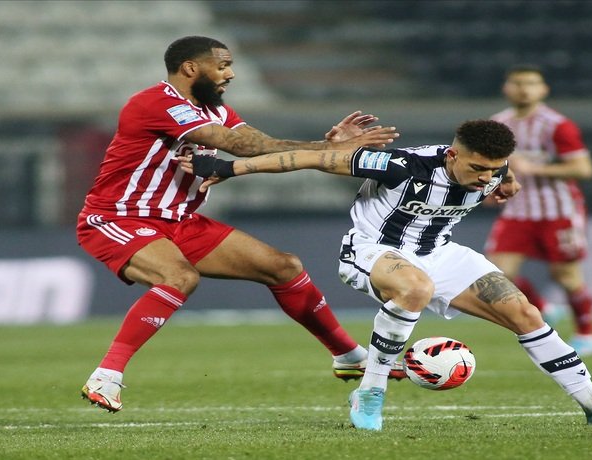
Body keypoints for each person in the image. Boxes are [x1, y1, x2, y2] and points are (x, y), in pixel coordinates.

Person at [180, 119, 592, 430]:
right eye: (478, 168)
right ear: (452, 155)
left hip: (441, 252)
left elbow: (504, 173)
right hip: (374, 250)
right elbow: (309, 159)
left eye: (494, 170)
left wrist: (506, 182)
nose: (486, 177)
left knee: (526, 313)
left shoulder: (493, 168)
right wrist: (230, 167)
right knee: (416, 288)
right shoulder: (402, 165)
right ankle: (370, 392)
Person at [76, 36, 403, 413]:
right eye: (222, 66)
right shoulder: (156, 102)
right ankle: (106, 376)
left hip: (180, 221)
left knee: (283, 266)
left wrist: (322, 146)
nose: (230, 74)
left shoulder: (213, 110)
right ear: (190, 68)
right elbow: (240, 147)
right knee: (179, 277)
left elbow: (258, 142)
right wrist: (328, 150)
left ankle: (348, 356)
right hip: (118, 217)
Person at [485, 65, 592, 356]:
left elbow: (583, 169)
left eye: (531, 83)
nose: (524, 89)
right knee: (497, 273)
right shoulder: (497, 124)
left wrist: (533, 168)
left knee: (566, 275)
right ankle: (542, 308)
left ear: (543, 89)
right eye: (517, 83)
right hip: (517, 211)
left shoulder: (557, 125)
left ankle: (586, 334)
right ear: (506, 88)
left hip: (558, 210)